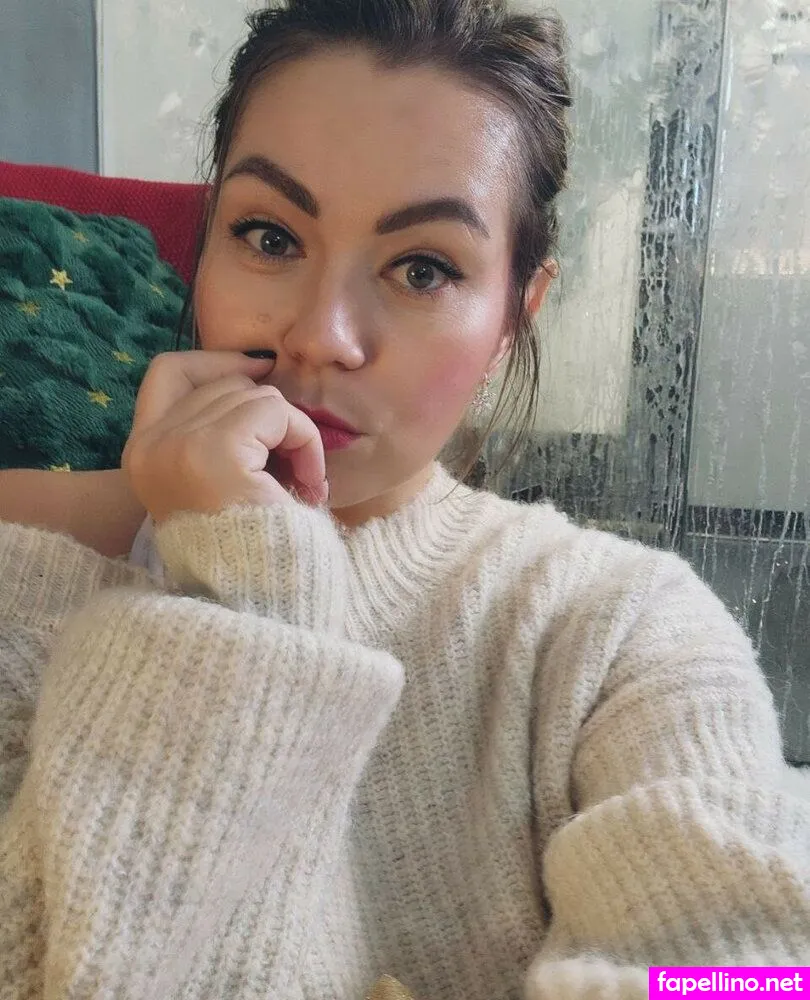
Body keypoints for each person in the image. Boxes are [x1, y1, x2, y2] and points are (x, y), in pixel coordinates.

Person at [1, 0, 808, 996]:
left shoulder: (619, 627)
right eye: (269, 236)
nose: (321, 336)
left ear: (514, 317)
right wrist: (245, 584)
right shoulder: (34, 565)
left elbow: (755, 978)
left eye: (422, 268)